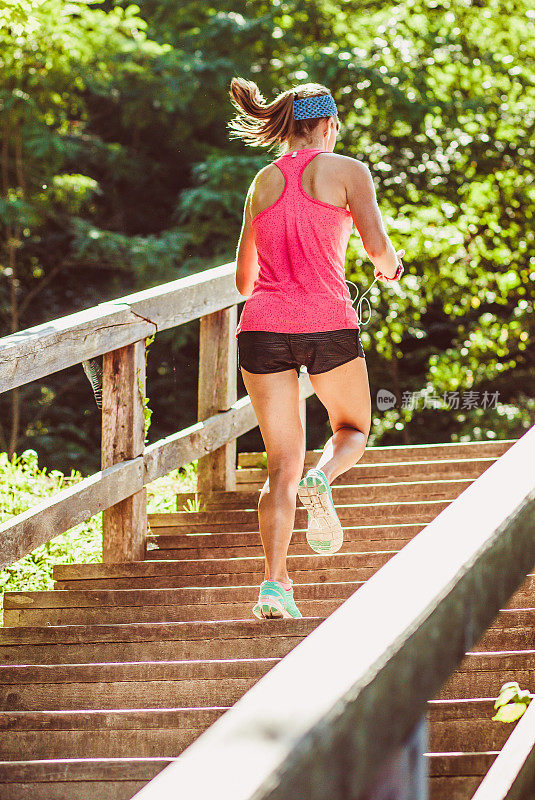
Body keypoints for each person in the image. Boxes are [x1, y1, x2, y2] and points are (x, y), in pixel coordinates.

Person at [228, 78, 404, 620]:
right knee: (352, 429)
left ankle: (274, 585)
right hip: (327, 322)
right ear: (327, 124)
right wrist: (388, 266)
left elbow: (242, 281)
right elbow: (376, 248)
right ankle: (322, 478)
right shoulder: (348, 171)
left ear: (288, 125)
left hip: (262, 329)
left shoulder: (261, 182)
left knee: (280, 463)